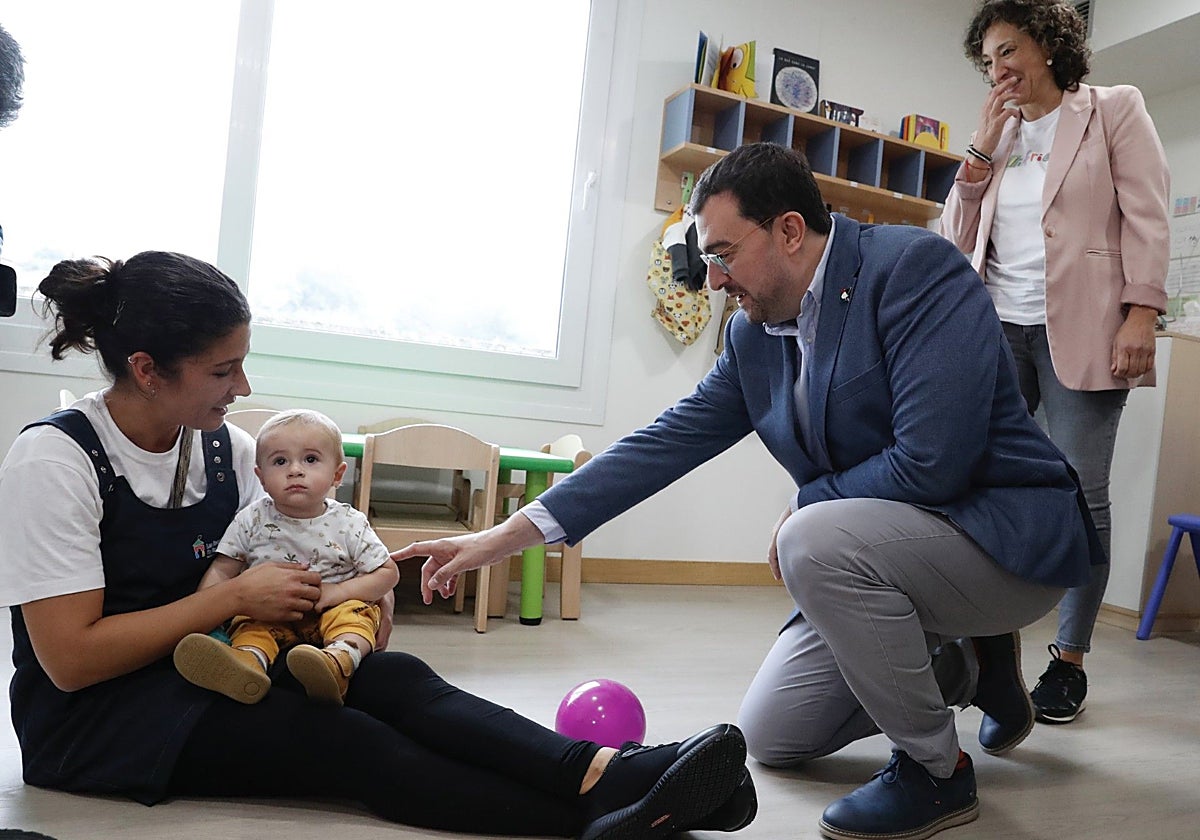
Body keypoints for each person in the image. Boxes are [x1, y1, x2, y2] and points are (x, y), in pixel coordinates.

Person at [395, 141, 1105, 840]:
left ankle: (936, 770)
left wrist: (804, 502)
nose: (713, 281)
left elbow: (932, 465)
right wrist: (504, 536)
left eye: (724, 254)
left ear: (790, 231)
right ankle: (967, 663)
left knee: (811, 537)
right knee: (774, 733)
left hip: (1005, 541)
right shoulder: (754, 338)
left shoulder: (914, 270)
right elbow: (662, 445)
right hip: (900, 550)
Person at [0, 250, 756, 838]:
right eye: (223, 369)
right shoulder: (57, 459)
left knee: (394, 680)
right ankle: (617, 812)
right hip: (98, 725)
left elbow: (303, 556)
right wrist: (232, 599)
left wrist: (349, 606)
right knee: (344, 739)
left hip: (219, 663)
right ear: (146, 370)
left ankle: (607, 772)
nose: (243, 386)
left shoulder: (227, 447)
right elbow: (70, 662)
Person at [940, 0, 1169, 725]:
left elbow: (1148, 214)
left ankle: (1068, 660)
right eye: (988, 60)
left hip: (1088, 326)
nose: (998, 70)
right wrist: (979, 150)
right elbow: (953, 236)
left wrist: (1142, 311)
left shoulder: (1112, 110)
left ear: (1045, 45)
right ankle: (980, 645)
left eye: (1008, 51)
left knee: (1079, 491)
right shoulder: (998, 134)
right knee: (976, 479)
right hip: (996, 325)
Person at [174, 408, 399, 707]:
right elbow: (224, 569)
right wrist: (206, 617)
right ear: (261, 477)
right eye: (280, 461)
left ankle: (336, 664)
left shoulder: (349, 521)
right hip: (270, 613)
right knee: (251, 627)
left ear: (337, 474)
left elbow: (388, 573)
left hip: (332, 608)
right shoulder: (251, 519)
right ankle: (246, 667)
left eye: (310, 459)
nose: (295, 470)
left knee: (355, 616)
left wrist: (339, 592)